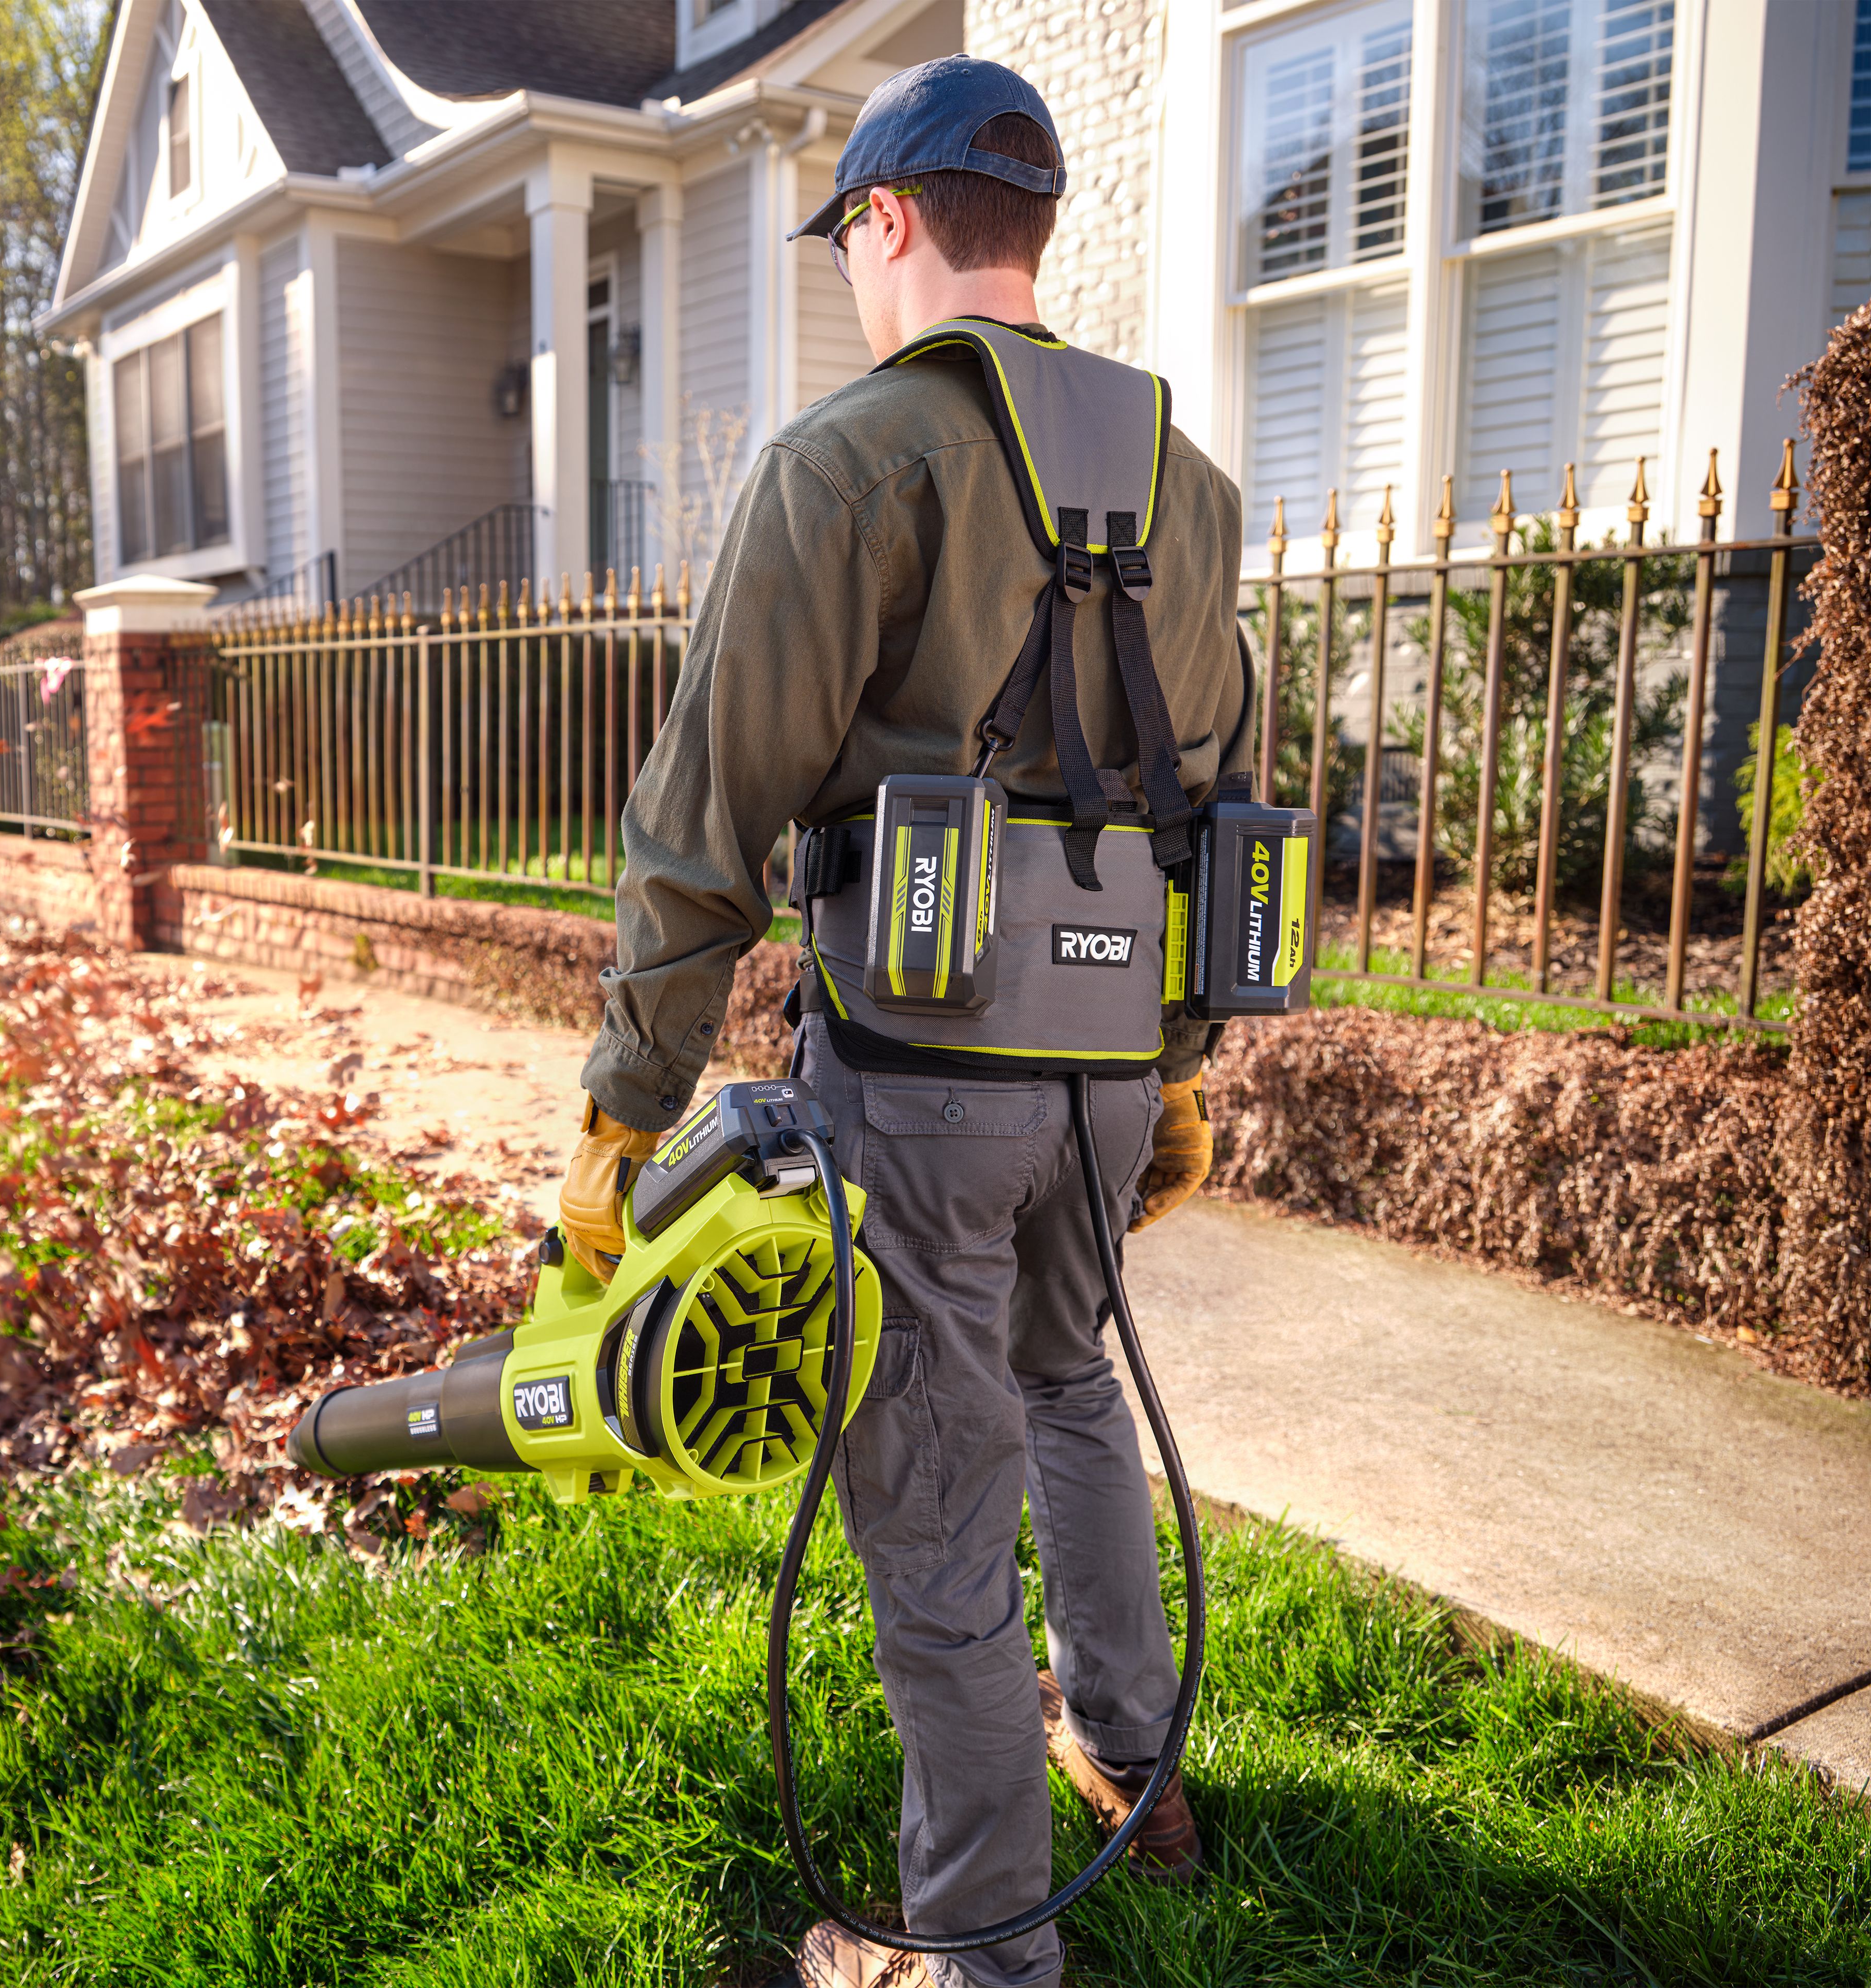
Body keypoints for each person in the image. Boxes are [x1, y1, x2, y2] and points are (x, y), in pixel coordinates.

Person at [553, 56, 1247, 1988]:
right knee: (1074, 1386)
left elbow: (708, 818)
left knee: (935, 1521)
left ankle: (981, 1959)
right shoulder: (1189, 489)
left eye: (848, 242)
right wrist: (1174, 1071)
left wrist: (627, 1107)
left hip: (928, 1084)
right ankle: (1132, 1762)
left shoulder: (851, 463)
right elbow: (1221, 796)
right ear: (1027, 230)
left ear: (886, 223)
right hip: (1107, 1081)